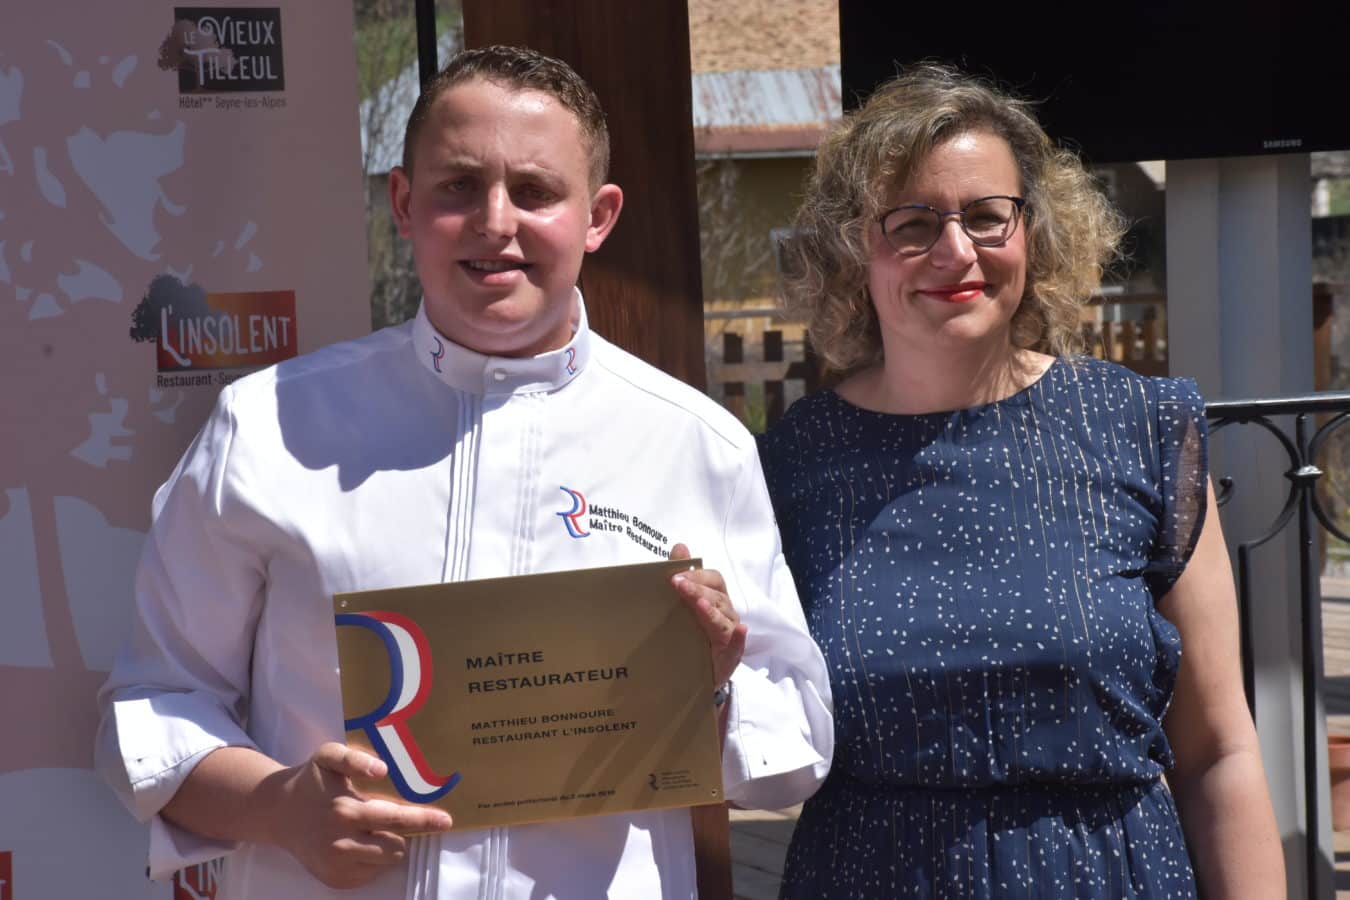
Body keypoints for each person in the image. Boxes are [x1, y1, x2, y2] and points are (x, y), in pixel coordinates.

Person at [96, 45, 832, 900]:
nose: (495, 221)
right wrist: (282, 809)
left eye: (534, 191)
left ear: (597, 216)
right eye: (457, 186)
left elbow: (798, 746)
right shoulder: (266, 425)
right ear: (404, 204)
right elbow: (153, 704)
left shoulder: (694, 443)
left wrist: (708, 695)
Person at [757, 65, 1283, 898]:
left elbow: (1221, 750)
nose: (956, 251)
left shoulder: (1141, 427)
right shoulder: (792, 464)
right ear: (854, 246)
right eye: (914, 222)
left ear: (1033, 231)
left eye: (986, 216)